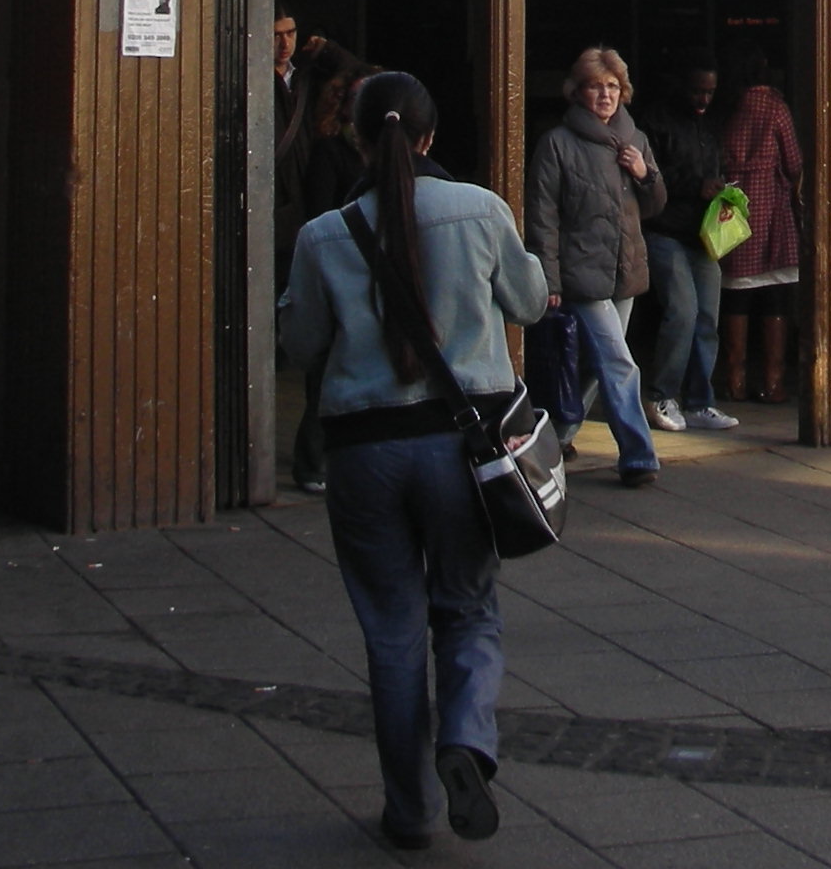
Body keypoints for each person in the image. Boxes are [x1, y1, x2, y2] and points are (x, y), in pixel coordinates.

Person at [278, 70, 547, 850]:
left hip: (364, 455)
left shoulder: (325, 234)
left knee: (391, 632)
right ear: (429, 138)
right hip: (463, 448)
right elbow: (530, 301)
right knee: (466, 609)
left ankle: (409, 810)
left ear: (358, 137)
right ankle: (464, 740)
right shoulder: (481, 210)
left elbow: (300, 346)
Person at [523, 46, 666, 484]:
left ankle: (554, 438)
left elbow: (656, 205)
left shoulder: (635, 138)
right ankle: (639, 456)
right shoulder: (557, 144)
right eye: (594, 87)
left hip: (625, 269)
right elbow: (542, 216)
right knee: (620, 363)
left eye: (612, 87)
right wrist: (549, 278)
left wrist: (645, 173)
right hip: (581, 273)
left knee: (598, 362)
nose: (605, 95)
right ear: (577, 92)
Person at [284, 42, 376, 491]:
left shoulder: (382, 154)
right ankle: (311, 461)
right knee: (325, 369)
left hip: (376, 271)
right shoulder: (330, 152)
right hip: (343, 268)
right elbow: (317, 214)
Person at [637, 63, 738, 433]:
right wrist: (696, 185)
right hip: (665, 229)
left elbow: (716, 164)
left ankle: (699, 401)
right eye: (698, 91)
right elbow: (649, 176)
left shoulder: (709, 125)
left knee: (708, 317)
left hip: (703, 232)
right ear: (681, 85)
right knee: (682, 312)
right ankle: (662, 394)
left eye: (710, 92)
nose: (703, 99)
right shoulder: (656, 121)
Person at [717, 51, 805, 404]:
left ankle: (734, 381)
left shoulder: (726, 108)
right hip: (772, 211)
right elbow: (794, 161)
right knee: (775, 296)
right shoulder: (775, 109)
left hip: (733, 210)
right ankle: (772, 382)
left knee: (735, 295)